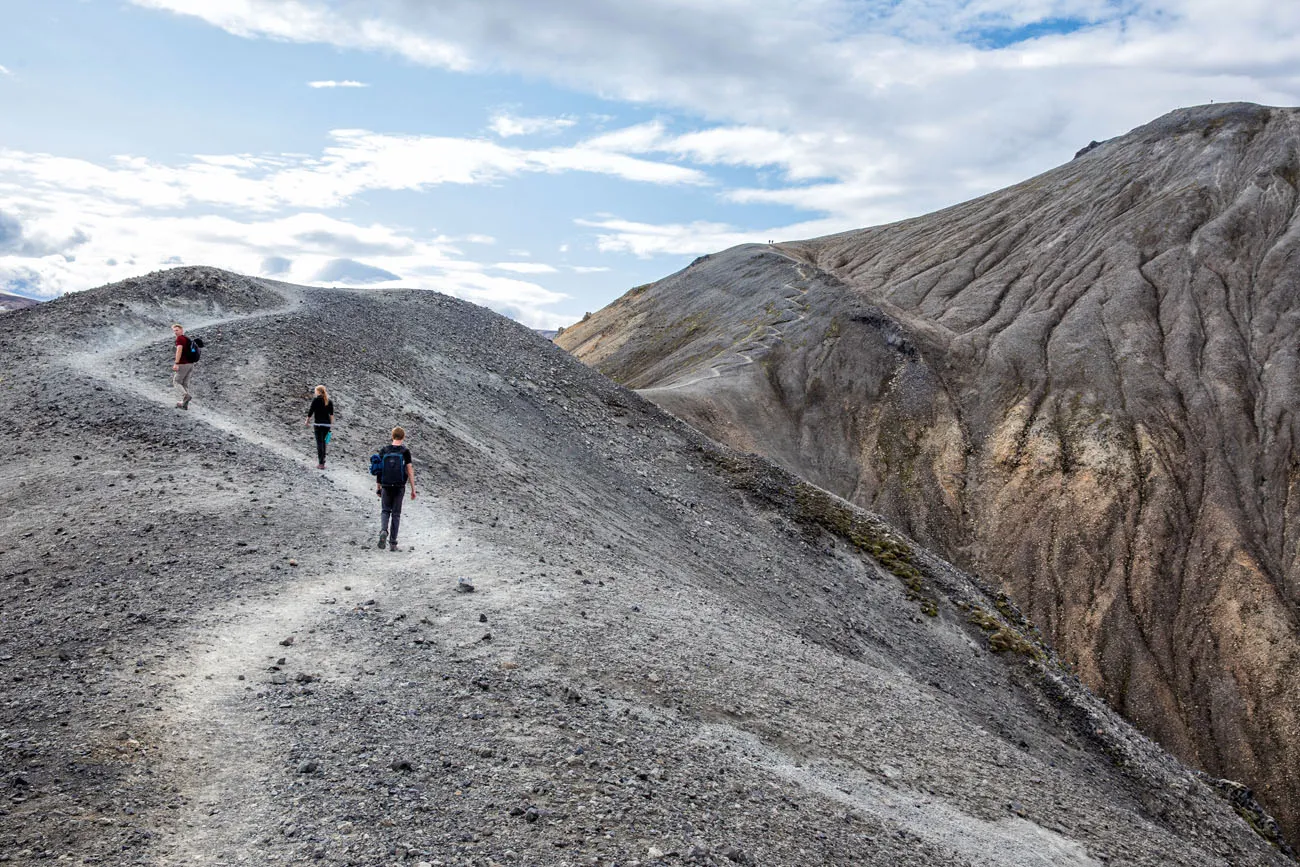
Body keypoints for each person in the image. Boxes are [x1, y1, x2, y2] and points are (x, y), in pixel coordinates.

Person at [376, 426, 415, 551]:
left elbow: (379, 470)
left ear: (392, 436)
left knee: (385, 510)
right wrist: (413, 489)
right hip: (399, 486)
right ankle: (393, 543)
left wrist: (378, 486)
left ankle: (383, 531)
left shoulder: (384, 450)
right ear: (403, 437)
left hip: (386, 485)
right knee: (396, 514)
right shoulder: (405, 451)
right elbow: (409, 470)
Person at [304, 385, 335, 469]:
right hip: (327, 425)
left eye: (315, 391)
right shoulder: (329, 401)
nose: (315, 392)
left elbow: (311, 411)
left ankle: (321, 463)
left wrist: (307, 421)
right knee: (324, 443)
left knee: (319, 443)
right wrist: (331, 425)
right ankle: (323, 461)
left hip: (318, 424)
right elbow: (331, 414)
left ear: (318, 392)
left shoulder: (316, 400)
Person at [171, 323, 197, 410]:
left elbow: (179, 350)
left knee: (176, 381)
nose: (175, 332)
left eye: (177, 330)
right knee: (185, 383)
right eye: (174, 330)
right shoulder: (187, 339)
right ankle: (184, 404)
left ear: (182, 330)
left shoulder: (180, 339)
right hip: (191, 364)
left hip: (183, 363)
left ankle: (185, 396)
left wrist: (176, 363)